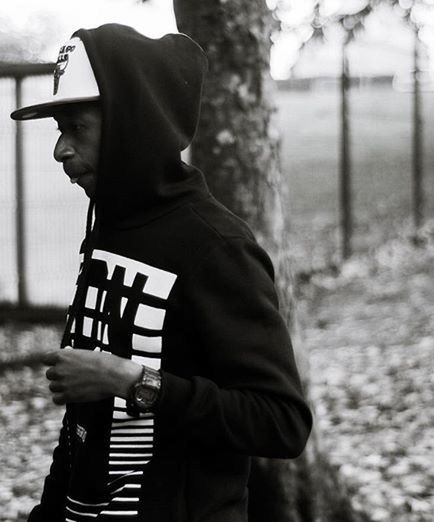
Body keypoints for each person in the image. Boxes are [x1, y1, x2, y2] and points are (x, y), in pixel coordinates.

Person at [11, 23, 312, 522]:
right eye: (58, 130)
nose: (60, 149)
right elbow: (84, 424)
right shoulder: (110, 228)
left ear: (135, 125)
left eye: (76, 127)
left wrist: (132, 381)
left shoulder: (215, 248)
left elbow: (279, 422)